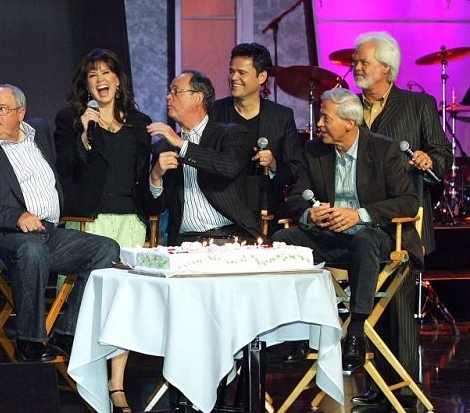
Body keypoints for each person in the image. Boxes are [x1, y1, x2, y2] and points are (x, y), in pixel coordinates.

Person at [0, 84, 120, 363]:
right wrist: (16, 216)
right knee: (32, 250)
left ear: (21, 113)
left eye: (2, 109)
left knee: (106, 249)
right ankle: (30, 342)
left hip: (50, 231)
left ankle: (67, 333)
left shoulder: (39, 131)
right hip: (5, 236)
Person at [271, 88, 421, 372]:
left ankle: (356, 330)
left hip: (374, 236)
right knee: (283, 240)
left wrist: (359, 215)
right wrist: (309, 215)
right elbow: (294, 198)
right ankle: (299, 330)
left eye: (325, 118)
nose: (318, 124)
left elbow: (409, 201)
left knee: (364, 239)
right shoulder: (316, 150)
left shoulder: (383, 149)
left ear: (349, 122)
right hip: (328, 236)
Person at [350, 31, 453, 408]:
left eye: (364, 62)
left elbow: (443, 154)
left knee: (399, 309)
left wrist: (431, 161)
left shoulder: (417, 105)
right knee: (367, 307)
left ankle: (406, 389)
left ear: (387, 68)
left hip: (403, 225)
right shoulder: (350, 106)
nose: (356, 67)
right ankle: (377, 386)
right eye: (356, 61)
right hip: (360, 221)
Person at [54, 48, 154, 412]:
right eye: (93, 74)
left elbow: (146, 177)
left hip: (131, 220)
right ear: (87, 84)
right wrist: (84, 132)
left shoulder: (140, 124)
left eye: (106, 72)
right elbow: (66, 167)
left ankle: (116, 384)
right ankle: (87, 377)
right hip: (90, 222)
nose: (100, 80)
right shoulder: (70, 120)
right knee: (96, 304)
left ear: (117, 79)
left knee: (123, 306)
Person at [148, 70, 262, 246]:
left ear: (198, 98)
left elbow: (228, 167)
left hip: (230, 237)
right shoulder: (163, 148)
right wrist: (155, 177)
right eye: (170, 92)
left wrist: (182, 144)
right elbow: (156, 208)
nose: (168, 97)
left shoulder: (231, 133)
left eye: (176, 91)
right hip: (185, 242)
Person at [208, 43, 304, 228]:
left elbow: (296, 170)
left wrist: (274, 164)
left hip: (266, 212)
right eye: (231, 71)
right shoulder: (214, 112)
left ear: (261, 77)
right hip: (222, 213)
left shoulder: (281, 116)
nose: (233, 78)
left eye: (241, 73)